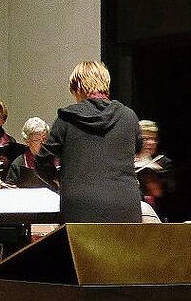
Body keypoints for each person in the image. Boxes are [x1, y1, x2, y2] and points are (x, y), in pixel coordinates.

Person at [36, 60, 143, 222]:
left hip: (80, 207)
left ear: (78, 87)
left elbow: (42, 161)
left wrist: (60, 179)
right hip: (125, 206)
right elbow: (138, 149)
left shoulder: (67, 118)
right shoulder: (129, 116)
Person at [135, 119, 175, 220]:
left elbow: (169, 193)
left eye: (154, 139)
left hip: (159, 216)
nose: (151, 142)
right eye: (146, 138)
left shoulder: (164, 163)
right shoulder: (126, 161)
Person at [5, 117, 50, 187]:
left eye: (45, 138)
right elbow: (8, 190)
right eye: (37, 140)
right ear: (27, 141)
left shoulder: (56, 160)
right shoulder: (18, 165)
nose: (43, 143)